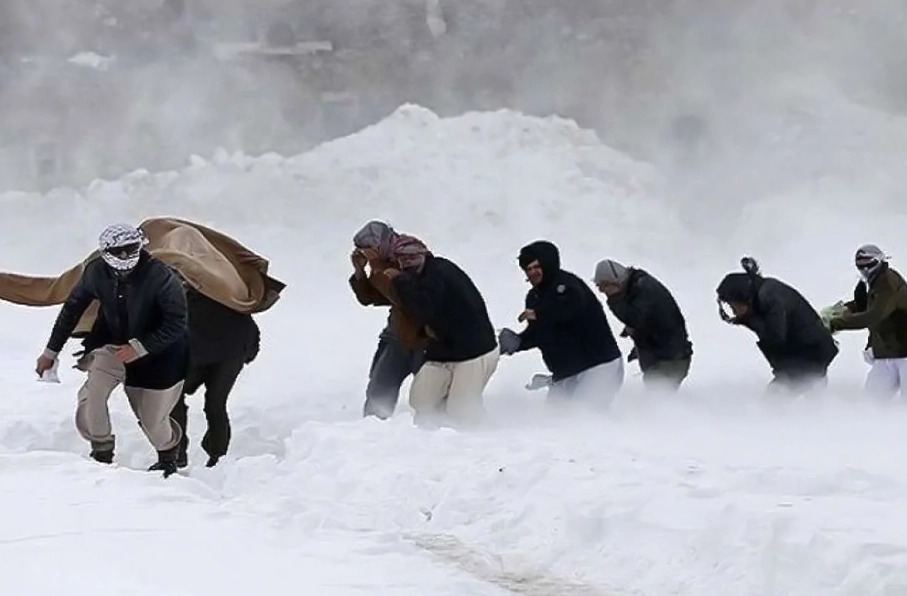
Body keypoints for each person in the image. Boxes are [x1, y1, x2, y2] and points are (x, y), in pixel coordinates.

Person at [35, 224, 189, 477]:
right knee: (93, 396)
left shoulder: (161, 277)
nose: (126, 256)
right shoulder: (96, 272)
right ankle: (102, 452)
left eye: (132, 249)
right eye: (119, 251)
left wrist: (139, 348)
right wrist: (50, 352)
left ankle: (168, 455)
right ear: (105, 252)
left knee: (152, 421)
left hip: (161, 353)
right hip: (112, 346)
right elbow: (71, 309)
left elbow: (177, 323)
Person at [385, 234, 499, 426]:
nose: (408, 262)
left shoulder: (439, 272)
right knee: (421, 400)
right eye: (403, 259)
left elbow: (422, 307)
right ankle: (436, 434)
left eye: (412, 257)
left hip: (475, 352)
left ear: (424, 254)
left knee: (462, 411)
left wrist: (399, 281)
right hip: (443, 351)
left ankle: (484, 435)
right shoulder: (419, 277)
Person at [499, 240, 623, 404]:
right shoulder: (533, 297)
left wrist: (539, 314)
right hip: (566, 373)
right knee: (553, 421)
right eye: (528, 269)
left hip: (599, 366)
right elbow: (540, 333)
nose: (532, 273)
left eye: (537, 267)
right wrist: (518, 342)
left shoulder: (568, 287)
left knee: (586, 418)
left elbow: (570, 308)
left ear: (548, 265)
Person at [716, 257, 838, 396]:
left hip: (811, 356)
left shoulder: (770, 299)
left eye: (734, 306)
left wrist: (750, 320)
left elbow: (775, 339)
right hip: (810, 355)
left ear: (745, 299)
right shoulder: (763, 294)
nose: (733, 311)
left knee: (775, 400)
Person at [170, 285, 261, 469]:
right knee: (214, 404)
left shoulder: (184, 295)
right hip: (225, 354)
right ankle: (215, 455)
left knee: (177, 398)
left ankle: (181, 452)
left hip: (213, 355)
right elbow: (249, 329)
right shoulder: (226, 290)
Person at [349, 221, 426, 419]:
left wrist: (377, 267)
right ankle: (374, 435)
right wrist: (360, 272)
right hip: (398, 335)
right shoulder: (385, 261)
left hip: (424, 336)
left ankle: (435, 436)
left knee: (429, 396)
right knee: (379, 390)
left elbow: (403, 297)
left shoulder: (411, 255)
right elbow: (370, 298)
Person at [593, 259, 693, 391]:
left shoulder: (642, 289)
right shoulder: (636, 286)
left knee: (657, 402)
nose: (602, 292)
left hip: (671, 360)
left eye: (604, 286)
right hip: (666, 356)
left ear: (615, 281)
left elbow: (635, 318)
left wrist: (615, 301)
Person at [828, 244, 907, 398]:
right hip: (886, 353)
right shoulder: (871, 282)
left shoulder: (888, 283)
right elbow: (864, 305)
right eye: (860, 266)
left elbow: (874, 315)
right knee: (873, 402)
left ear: (880, 261)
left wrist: (835, 323)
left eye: (869, 264)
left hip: (904, 354)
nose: (865, 269)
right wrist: (837, 311)